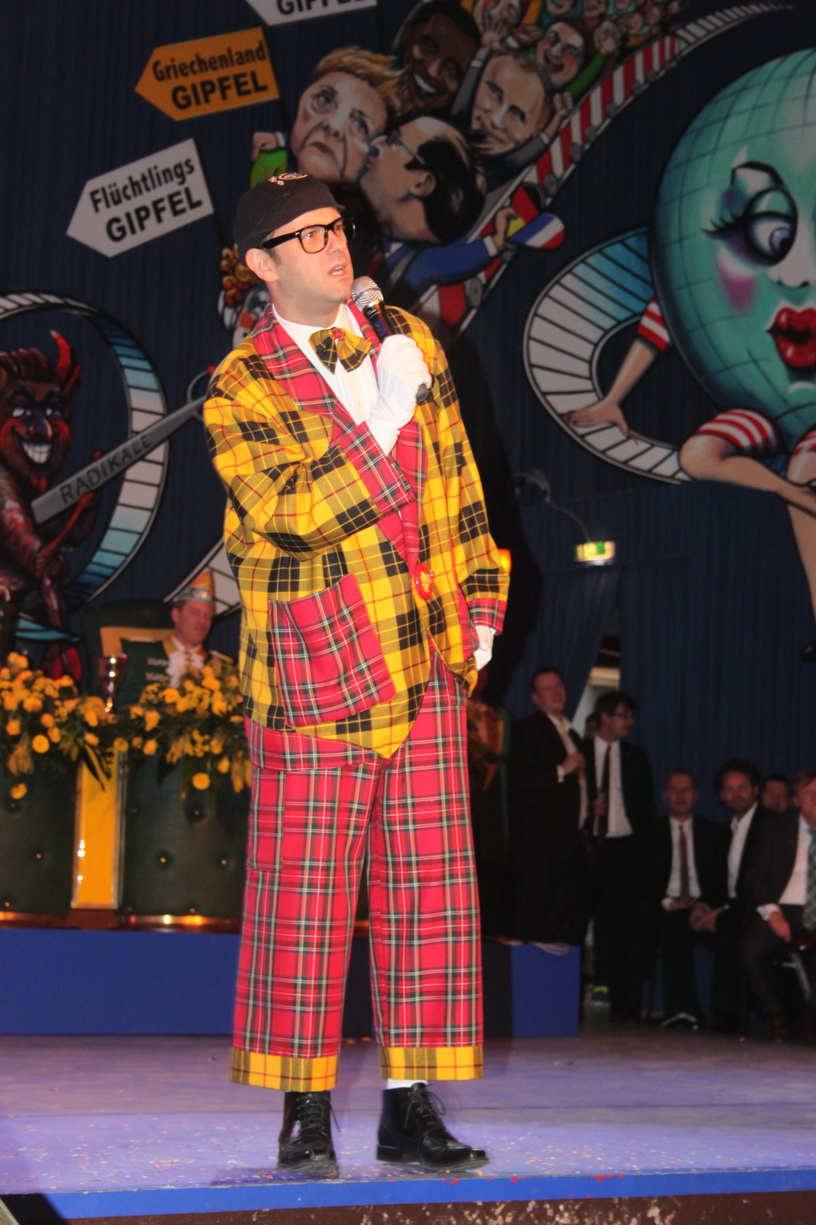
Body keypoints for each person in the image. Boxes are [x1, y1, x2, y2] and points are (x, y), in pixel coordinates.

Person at [204, 172, 508, 1177]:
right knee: (304, 900)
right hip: (314, 667)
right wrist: (379, 416)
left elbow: (457, 485)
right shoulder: (239, 385)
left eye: (336, 226)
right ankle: (304, 1111)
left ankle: (410, 1107)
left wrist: (479, 606)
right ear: (262, 264)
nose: (335, 244)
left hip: (421, 655)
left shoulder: (406, 341)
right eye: (306, 235)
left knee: (429, 893)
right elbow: (292, 513)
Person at [584, 689, 654, 1021]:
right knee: (578, 919)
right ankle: (570, 996)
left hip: (625, 849)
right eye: (623, 715)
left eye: (631, 716)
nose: (629, 722)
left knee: (619, 928)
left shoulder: (636, 757)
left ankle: (618, 1001)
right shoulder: (580, 751)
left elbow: (645, 811)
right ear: (605, 717)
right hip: (587, 848)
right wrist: (588, 810)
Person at [639, 770, 728, 1028]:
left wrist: (702, 906)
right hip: (665, 908)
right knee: (671, 926)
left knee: (734, 931)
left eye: (686, 789)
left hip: (707, 908)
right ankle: (683, 1009)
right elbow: (642, 880)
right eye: (674, 790)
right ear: (665, 796)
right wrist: (669, 902)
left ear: (696, 795)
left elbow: (721, 882)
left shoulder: (715, 834)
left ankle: (726, 1013)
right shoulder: (649, 833)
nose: (680, 795)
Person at [508, 667, 589, 946]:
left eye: (559, 685)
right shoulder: (528, 729)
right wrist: (560, 770)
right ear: (536, 698)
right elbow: (518, 782)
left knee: (562, 923)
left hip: (570, 844)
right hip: (540, 847)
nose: (556, 691)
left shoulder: (572, 734)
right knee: (536, 921)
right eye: (548, 688)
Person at [690, 759, 767, 1033]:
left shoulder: (769, 825)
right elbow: (717, 883)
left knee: (729, 926)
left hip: (762, 910)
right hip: (733, 908)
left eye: (742, 787)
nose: (736, 794)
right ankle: (685, 1010)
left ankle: (728, 1013)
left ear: (755, 789)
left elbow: (759, 884)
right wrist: (702, 906)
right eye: (729, 789)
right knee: (679, 923)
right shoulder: (725, 831)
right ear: (721, 795)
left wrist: (722, 912)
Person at [741, 768, 816, 1042]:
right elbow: (755, 875)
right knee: (751, 949)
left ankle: (809, 1016)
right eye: (808, 793)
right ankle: (777, 1015)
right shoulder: (775, 827)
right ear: (795, 800)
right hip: (783, 907)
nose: (815, 799)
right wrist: (772, 912)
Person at [116, 571, 221, 709]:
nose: (202, 621)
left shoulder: (220, 668)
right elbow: (116, 706)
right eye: (195, 612)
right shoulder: (138, 654)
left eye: (207, 615)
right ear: (176, 615)